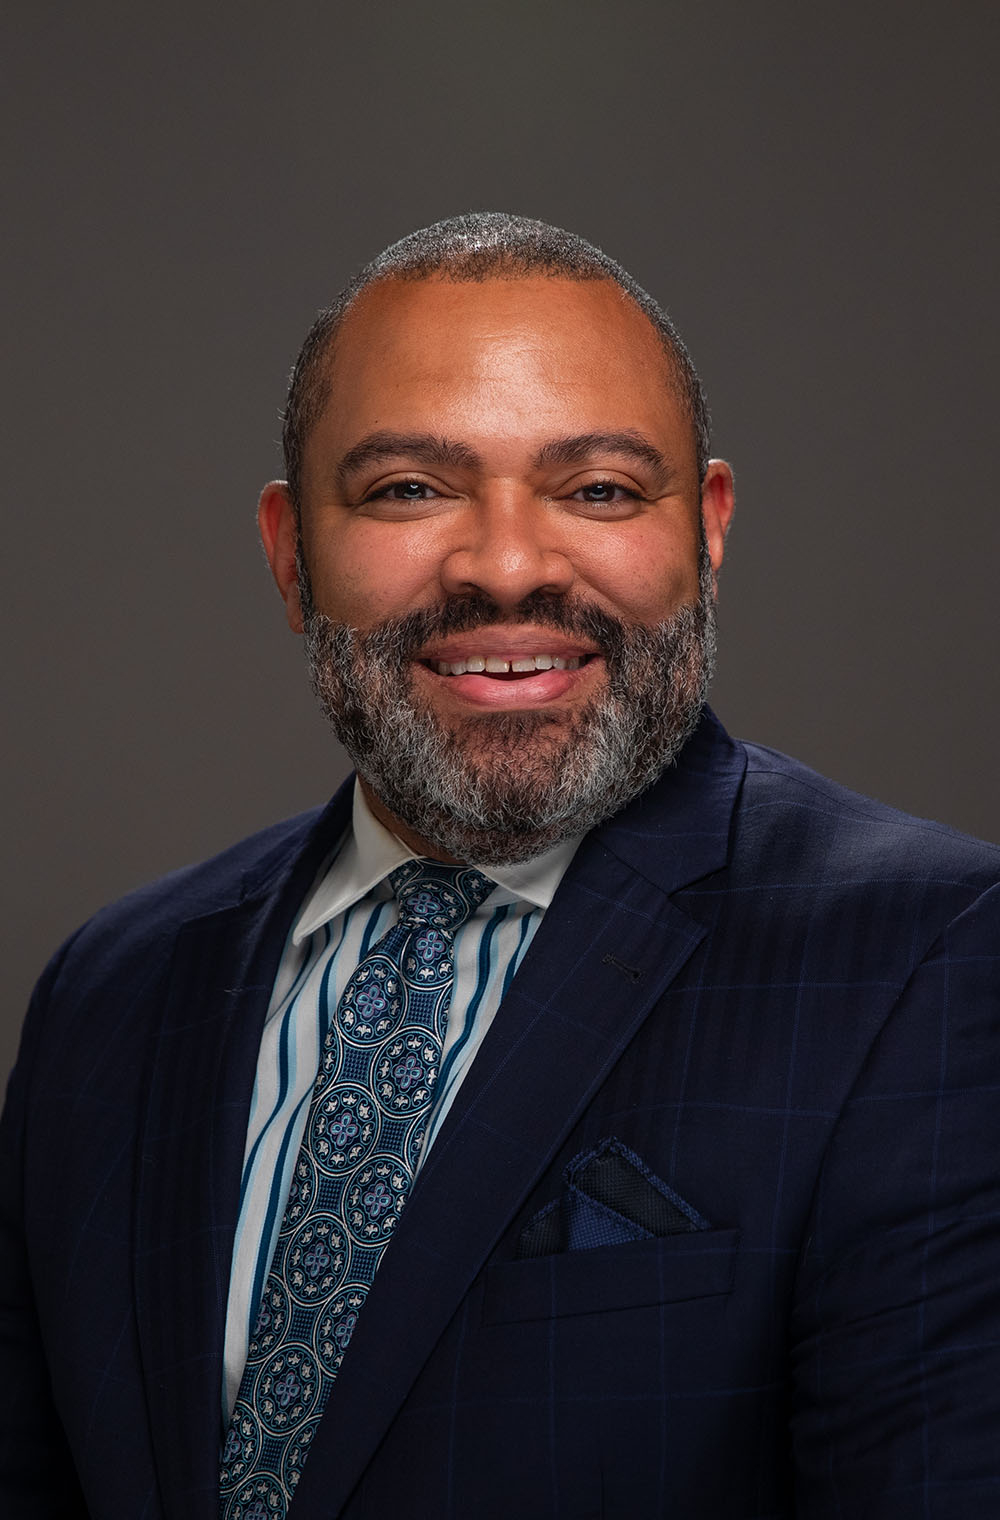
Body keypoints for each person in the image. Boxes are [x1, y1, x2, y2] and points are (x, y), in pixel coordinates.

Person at [2, 213, 998, 1520]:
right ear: (291, 551)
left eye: (597, 488)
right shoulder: (111, 997)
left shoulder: (933, 961)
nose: (509, 565)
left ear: (704, 532)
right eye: (410, 488)